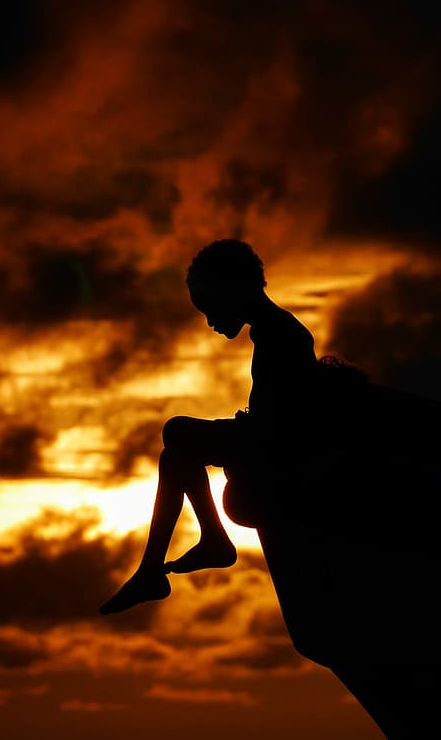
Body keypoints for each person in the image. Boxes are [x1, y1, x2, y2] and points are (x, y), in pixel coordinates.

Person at [100, 238, 319, 614]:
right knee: (175, 457)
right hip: (267, 439)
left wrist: (245, 427)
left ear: (232, 288)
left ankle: (194, 550)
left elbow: (288, 420)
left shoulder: (282, 334)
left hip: (279, 450)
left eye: (211, 307)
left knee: (176, 432)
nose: (211, 322)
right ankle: (183, 555)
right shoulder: (271, 332)